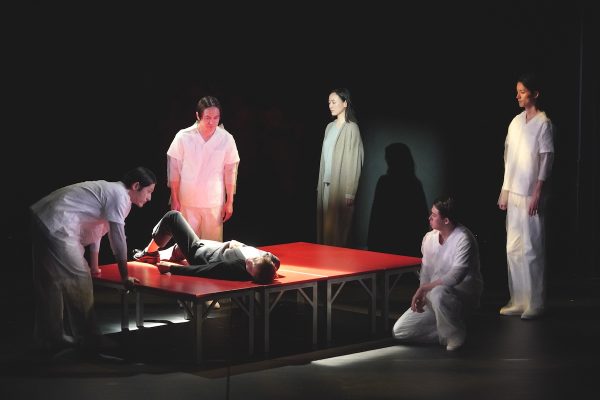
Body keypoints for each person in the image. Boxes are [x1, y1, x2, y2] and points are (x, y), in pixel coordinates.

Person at [30, 166, 156, 355]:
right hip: (58, 221)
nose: (149, 198)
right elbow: (117, 238)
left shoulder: (111, 191)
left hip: (43, 215)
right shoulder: (120, 196)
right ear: (136, 186)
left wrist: (95, 266)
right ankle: (90, 338)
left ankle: (50, 337)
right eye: (148, 191)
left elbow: (97, 230)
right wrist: (125, 276)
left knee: (50, 282)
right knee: (80, 280)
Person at [392, 196, 483, 351]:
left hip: (460, 296)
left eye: (434, 215)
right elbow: (426, 271)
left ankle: (454, 334)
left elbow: (456, 276)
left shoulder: (463, 238)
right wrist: (423, 293)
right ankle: (449, 329)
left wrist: (424, 288)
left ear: (446, 220)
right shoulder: (429, 238)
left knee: (439, 293)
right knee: (400, 331)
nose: (430, 218)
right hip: (434, 296)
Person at [497, 72, 554, 320]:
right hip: (515, 193)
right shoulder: (516, 122)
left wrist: (538, 192)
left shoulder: (543, 123)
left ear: (535, 93)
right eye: (517, 92)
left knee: (531, 248)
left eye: (522, 92)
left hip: (531, 193)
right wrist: (505, 190)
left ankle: (535, 302)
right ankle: (519, 300)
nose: (518, 96)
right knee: (513, 248)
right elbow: (508, 158)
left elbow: (546, 159)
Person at [133, 210, 280, 284]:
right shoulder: (269, 260)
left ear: (252, 276)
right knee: (178, 249)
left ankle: (149, 253)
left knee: (173, 217)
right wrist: (271, 272)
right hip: (217, 247)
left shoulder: (234, 267)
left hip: (199, 252)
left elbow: (205, 271)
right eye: (253, 261)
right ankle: (160, 254)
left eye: (249, 268)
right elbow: (274, 261)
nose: (248, 262)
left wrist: (171, 269)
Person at [167, 95, 240, 242]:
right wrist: (174, 198)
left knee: (213, 245)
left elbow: (230, 171)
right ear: (198, 116)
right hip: (188, 199)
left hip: (214, 201)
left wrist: (230, 201)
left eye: (216, 118)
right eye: (207, 118)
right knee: (187, 243)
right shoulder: (183, 136)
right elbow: (174, 169)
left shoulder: (226, 138)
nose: (212, 122)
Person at [316, 88, 364, 247]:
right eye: (329, 102)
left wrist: (350, 190)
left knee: (338, 229)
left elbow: (355, 160)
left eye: (334, 102)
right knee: (325, 227)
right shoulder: (329, 127)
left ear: (345, 103)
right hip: (326, 183)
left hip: (341, 187)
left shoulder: (352, 128)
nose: (330, 105)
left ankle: (336, 258)